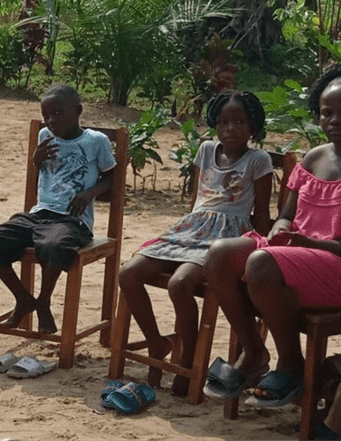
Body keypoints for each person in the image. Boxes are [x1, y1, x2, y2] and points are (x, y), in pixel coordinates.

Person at [202, 62, 341, 407]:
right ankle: (254, 352)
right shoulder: (314, 158)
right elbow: (285, 217)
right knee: (220, 254)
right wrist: (282, 229)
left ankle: (291, 364)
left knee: (261, 264)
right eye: (326, 112)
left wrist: (310, 243)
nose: (334, 119)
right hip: (296, 257)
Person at [117, 90, 272, 396]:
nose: (230, 128)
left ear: (253, 127)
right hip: (191, 228)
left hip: (226, 236)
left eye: (240, 122)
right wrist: (185, 226)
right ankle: (158, 342)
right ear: (215, 124)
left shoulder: (259, 159)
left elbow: (263, 213)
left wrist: (264, 251)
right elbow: (196, 199)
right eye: (223, 121)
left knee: (180, 284)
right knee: (129, 274)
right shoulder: (206, 150)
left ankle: (187, 359)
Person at [0, 84, 116, 335]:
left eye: (58, 113)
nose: (51, 121)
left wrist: (89, 193)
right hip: (39, 214)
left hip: (73, 220)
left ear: (77, 111)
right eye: (46, 115)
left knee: (54, 245)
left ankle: (43, 301)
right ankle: (24, 299)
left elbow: (111, 177)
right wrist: (36, 160)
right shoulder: (45, 136)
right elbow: (39, 172)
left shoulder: (97, 141)